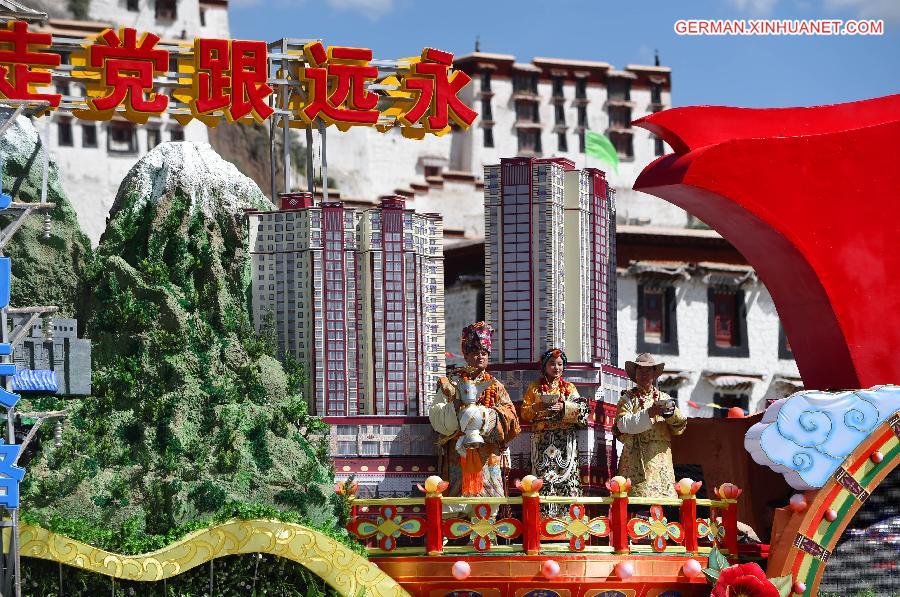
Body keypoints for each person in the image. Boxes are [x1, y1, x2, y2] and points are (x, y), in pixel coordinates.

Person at [429, 322, 520, 499]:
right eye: (475, 353)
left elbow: (512, 419)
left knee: (488, 504)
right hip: (458, 452)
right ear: (466, 355)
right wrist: (456, 409)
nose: (480, 357)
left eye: (484, 353)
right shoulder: (450, 384)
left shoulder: (496, 386)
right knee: (457, 502)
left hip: (488, 454)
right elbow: (436, 415)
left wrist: (486, 417)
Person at [520, 348, 588, 517]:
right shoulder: (535, 388)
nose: (556, 368)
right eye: (552, 364)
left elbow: (583, 411)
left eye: (560, 364)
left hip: (565, 442)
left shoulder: (569, 388)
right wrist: (538, 407)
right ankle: (542, 522)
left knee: (567, 479)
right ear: (544, 367)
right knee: (542, 481)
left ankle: (568, 522)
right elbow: (524, 413)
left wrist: (564, 407)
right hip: (542, 440)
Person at [614, 353, 686, 498]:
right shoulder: (627, 399)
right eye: (640, 370)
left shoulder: (664, 398)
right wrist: (649, 414)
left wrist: (671, 414)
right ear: (635, 373)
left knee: (663, 504)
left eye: (648, 370)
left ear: (654, 373)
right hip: (636, 460)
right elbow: (622, 425)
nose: (644, 374)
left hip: (661, 459)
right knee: (635, 504)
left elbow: (680, 426)